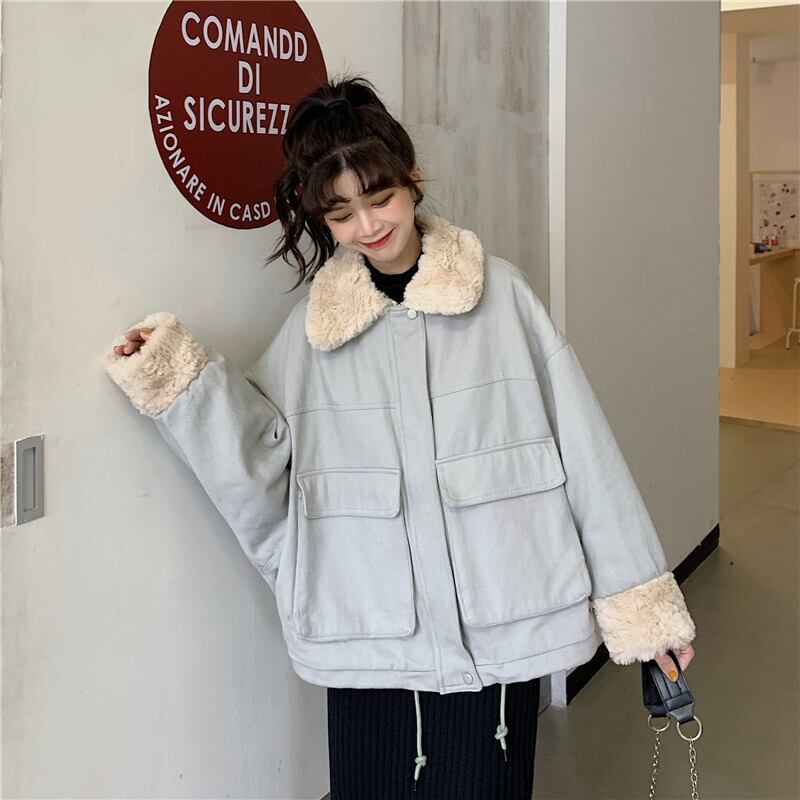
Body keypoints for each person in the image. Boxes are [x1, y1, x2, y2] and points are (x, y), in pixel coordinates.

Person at [104, 74, 696, 800]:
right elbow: (260, 456)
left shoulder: (503, 298)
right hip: (372, 640)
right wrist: (175, 378)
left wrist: (646, 615)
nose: (367, 225)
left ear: (412, 178)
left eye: (379, 197)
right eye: (341, 212)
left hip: (496, 635)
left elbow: (587, 453)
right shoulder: (316, 330)